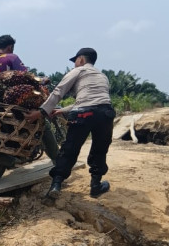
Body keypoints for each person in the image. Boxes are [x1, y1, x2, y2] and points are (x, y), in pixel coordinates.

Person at [25, 47, 115, 200]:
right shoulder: (102, 76)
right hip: (105, 114)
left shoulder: (78, 71)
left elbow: (59, 91)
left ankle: (56, 185)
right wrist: (61, 111)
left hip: (83, 114)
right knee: (100, 150)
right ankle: (95, 186)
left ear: (81, 59)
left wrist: (41, 112)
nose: (75, 64)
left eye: (76, 61)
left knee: (70, 149)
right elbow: (92, 101)